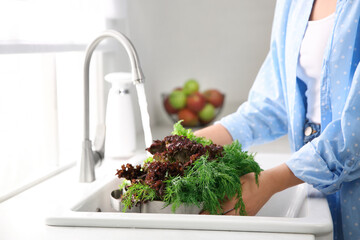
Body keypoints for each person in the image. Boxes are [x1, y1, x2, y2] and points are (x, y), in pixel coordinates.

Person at [195, 0, 360, 239]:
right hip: (309, 181)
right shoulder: (292, 3)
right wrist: (198, 141)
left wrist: (268, 182)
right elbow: (278, 101)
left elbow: (355, 131)